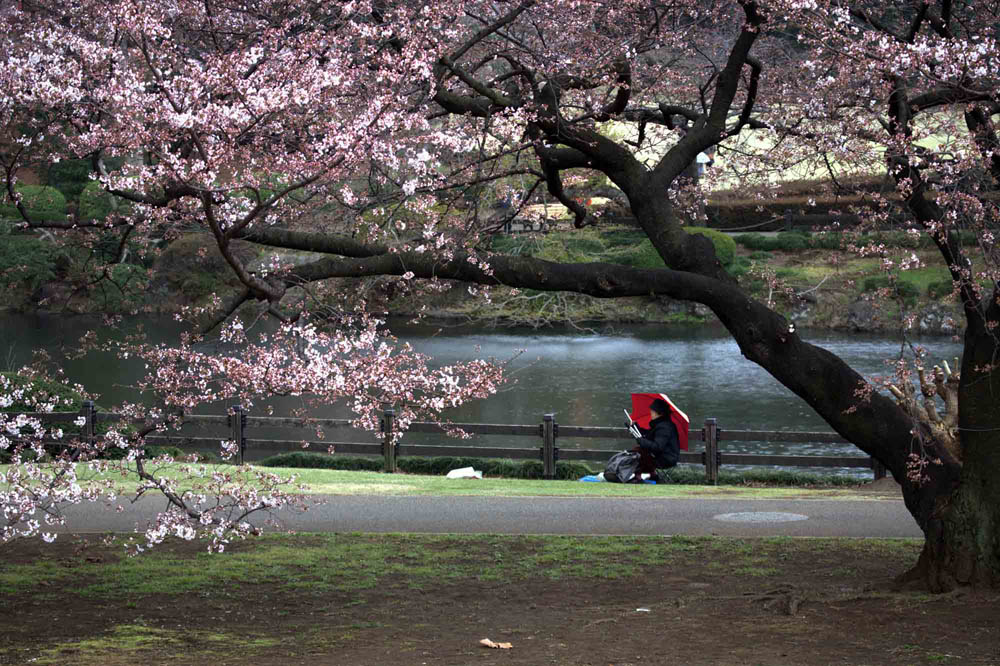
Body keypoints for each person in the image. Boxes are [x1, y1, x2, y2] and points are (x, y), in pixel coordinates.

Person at [627, 398, 680, 482]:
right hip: (660, 455)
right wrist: (635, 428)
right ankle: (651, 475)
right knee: (640, 450)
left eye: (653, 411)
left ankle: (639, 476)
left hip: (666, 459)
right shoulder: (660, 424)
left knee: (639, 451)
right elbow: (649, 435)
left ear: (659, 413)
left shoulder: (664, 428)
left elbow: (657, 447)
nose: (651, 412)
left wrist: (641, 440)